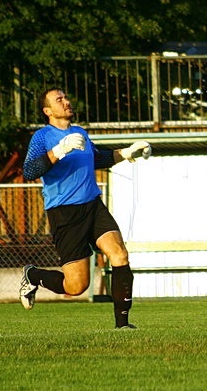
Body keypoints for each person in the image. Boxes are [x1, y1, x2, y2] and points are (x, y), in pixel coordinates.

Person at [19, 88, 152, 329]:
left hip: (93, 206)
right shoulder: (42, 137)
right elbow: (29, 171)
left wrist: (127, 152)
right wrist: (59, 151)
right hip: (65, 213)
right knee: (76, 286)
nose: (66, 101)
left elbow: (97, 159)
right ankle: (33, 275)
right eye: (59, 100)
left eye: (66, 97)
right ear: (47, 111)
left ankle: (123, 325)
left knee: (119, 254)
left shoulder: (80, 132)